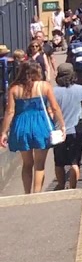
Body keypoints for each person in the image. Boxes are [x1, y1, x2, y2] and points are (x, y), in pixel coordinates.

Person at [0, 60, 66, 194]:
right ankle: (37, 194)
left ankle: (26, 193)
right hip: (40, 124)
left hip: (21, 125)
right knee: (39, 164)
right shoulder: (44, 86)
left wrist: (4, 132)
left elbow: (10, 112)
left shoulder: (14, 88)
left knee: (27, 163)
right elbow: (54, 107)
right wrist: (62, 125)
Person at [51, 64, 82, 190]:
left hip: (58, 131)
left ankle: (61, 186)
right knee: (75, 162)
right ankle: (73, 188)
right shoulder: (80, 89)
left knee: (59, 162)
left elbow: (49, 111)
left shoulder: (53, 91)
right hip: (76, 129)